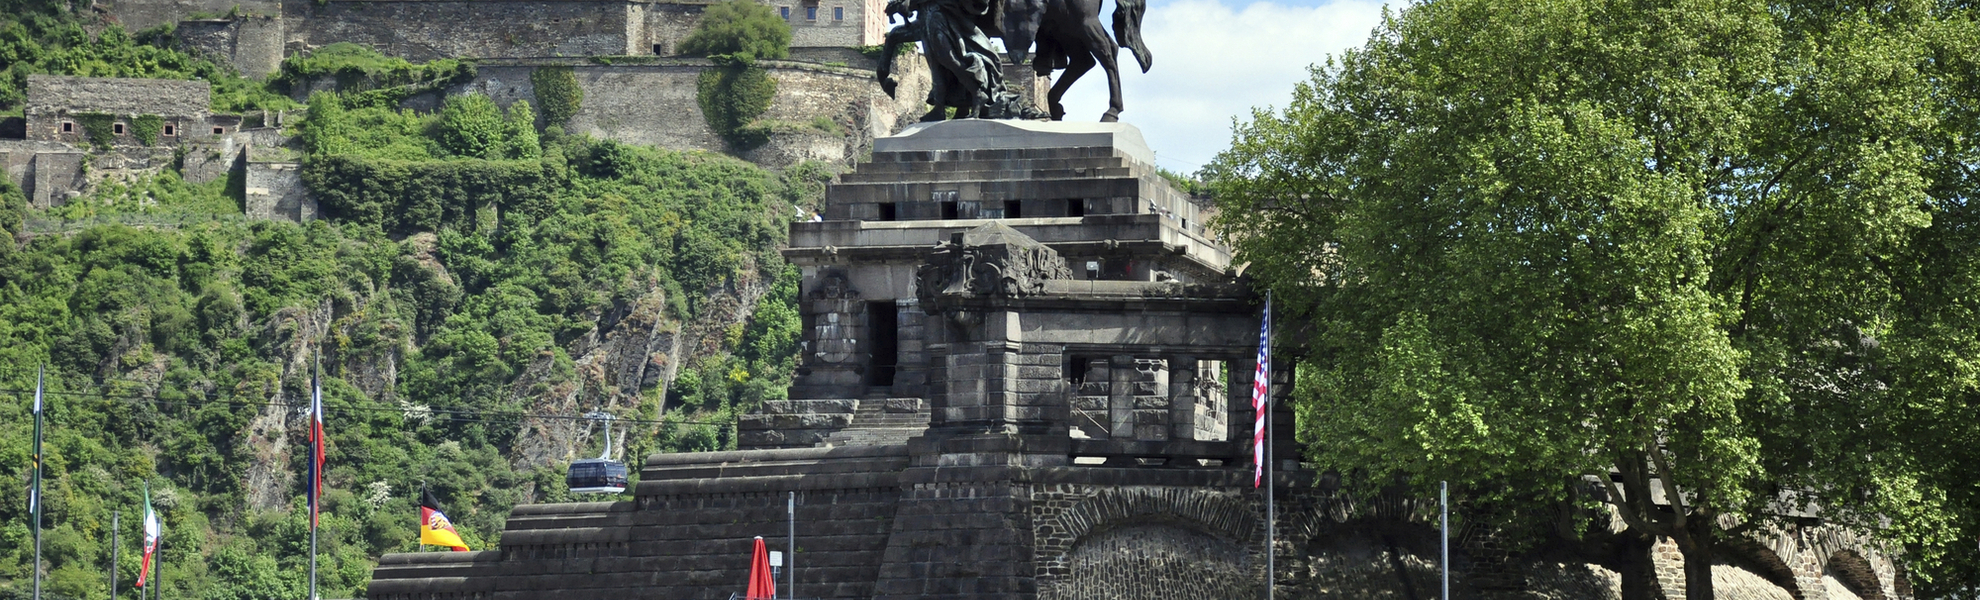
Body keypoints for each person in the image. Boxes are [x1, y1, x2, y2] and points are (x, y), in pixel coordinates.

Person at [877, 0, 1046, 120]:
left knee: (947, 59)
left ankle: (976, 93)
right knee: (901, 41)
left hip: (945, 18)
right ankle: (886, 75)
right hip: (926, 18)